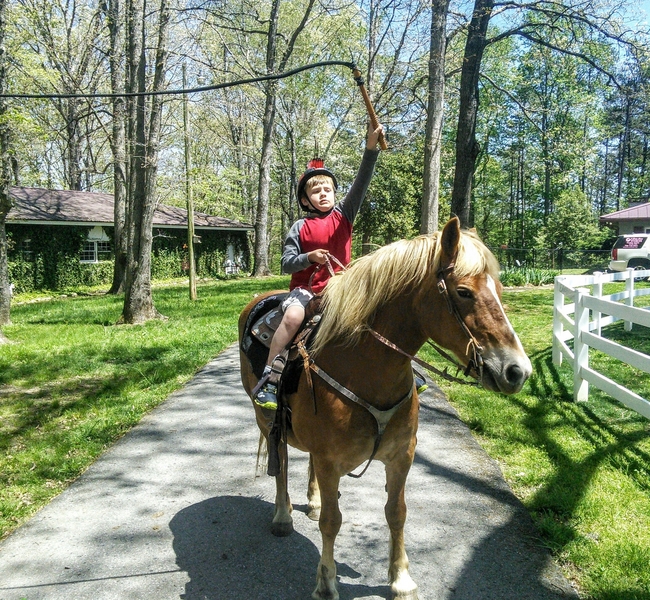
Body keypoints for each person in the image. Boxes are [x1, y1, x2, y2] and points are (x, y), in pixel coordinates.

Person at [254, 122, 385, 410]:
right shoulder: (299, 227)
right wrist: (309, 257)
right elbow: (287, 264)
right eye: (317, 191)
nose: (324, 194)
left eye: (328, 189)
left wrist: (370, 149)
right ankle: (270, 379)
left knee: (379, 313)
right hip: (306, 290)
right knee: (291, 318)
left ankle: (399, 371)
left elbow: (361, 182)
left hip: (342, 288)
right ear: (305, 199)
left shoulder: (344, 216)